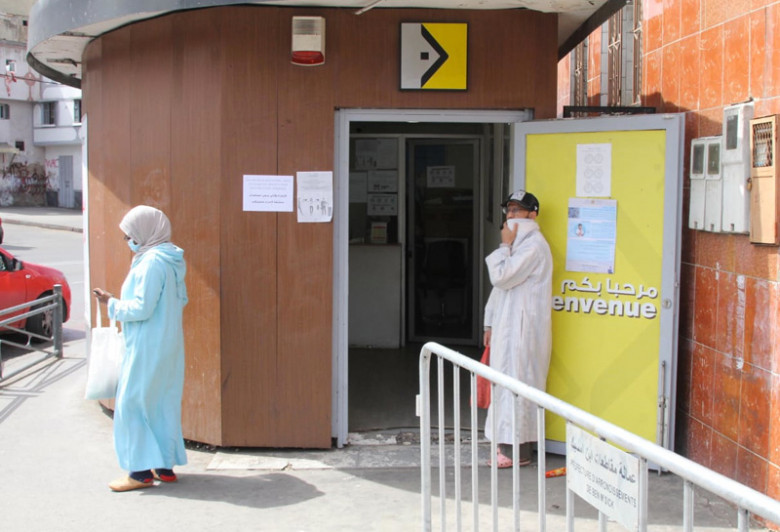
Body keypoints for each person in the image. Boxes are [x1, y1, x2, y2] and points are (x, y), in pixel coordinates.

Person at [93, 205, 188, 492]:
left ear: (145, 232)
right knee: (160, 403)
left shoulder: (151, 263)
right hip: (168, 344)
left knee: (131, 405)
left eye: (130, 235)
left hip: (147, 346)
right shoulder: (171, 260)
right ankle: (164, 467)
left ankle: (139, 473)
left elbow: (142, 308)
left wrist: (110, 303)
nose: (129, 241)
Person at [482, 190, 552, 468]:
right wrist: (489, 322)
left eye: (518, 210)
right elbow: (500, 291)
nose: (511, 215)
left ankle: (518, 452)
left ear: (532, 215)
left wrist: (504, 245)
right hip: (508, 326)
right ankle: (505, 446)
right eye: (509, 210)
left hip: (523, 330)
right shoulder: (518, 244)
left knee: (519, 384)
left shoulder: (533, 246)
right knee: (506, 384)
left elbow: (501, 277)